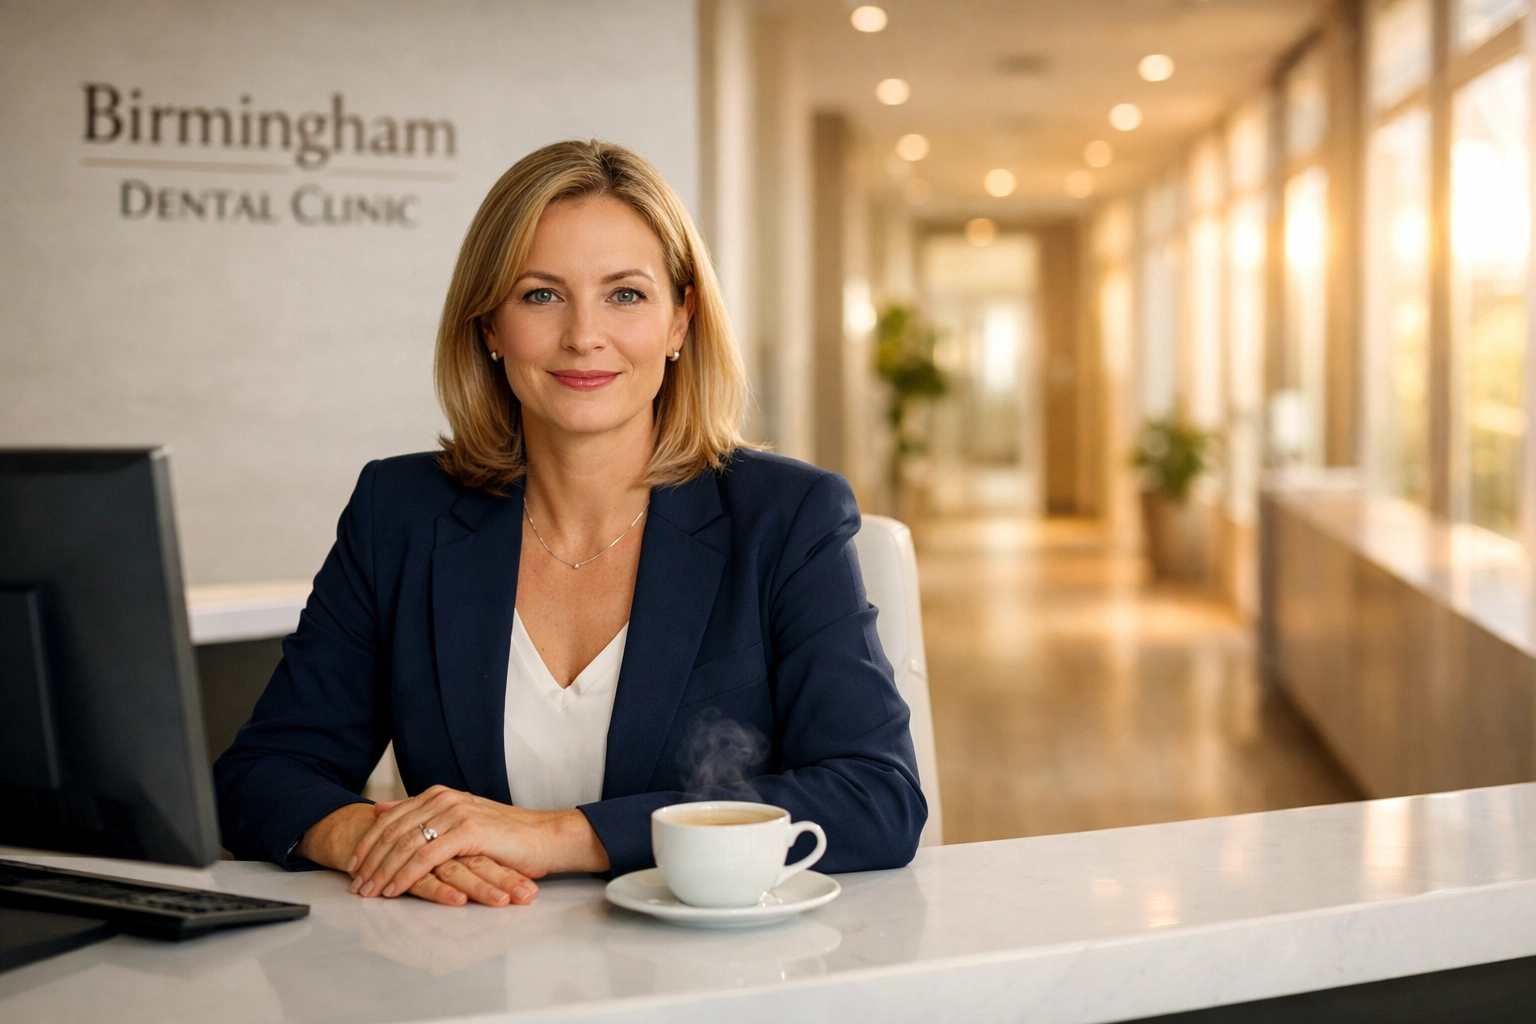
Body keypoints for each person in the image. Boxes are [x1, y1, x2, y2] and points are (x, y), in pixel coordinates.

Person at [214, 139, 926, 908]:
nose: (584, 335)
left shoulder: (786, 517)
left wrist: (556, 837)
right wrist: (373, 837)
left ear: (681, 320)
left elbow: (876, 796)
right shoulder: (400, 512)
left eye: (625, 294)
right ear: (489, 325)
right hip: (468, 965)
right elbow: (262, 773)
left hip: (715, 977)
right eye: (540, 295)